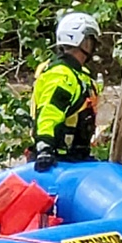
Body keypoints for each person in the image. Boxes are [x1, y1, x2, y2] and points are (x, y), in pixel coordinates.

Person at [30, 11, 102, 171]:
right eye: (90, 40)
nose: (93, 46)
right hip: (57, 162)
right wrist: (45, 148)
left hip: (75, 160)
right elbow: (50, 112)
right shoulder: (62, 76)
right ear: (82, 42)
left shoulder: (79, 75)